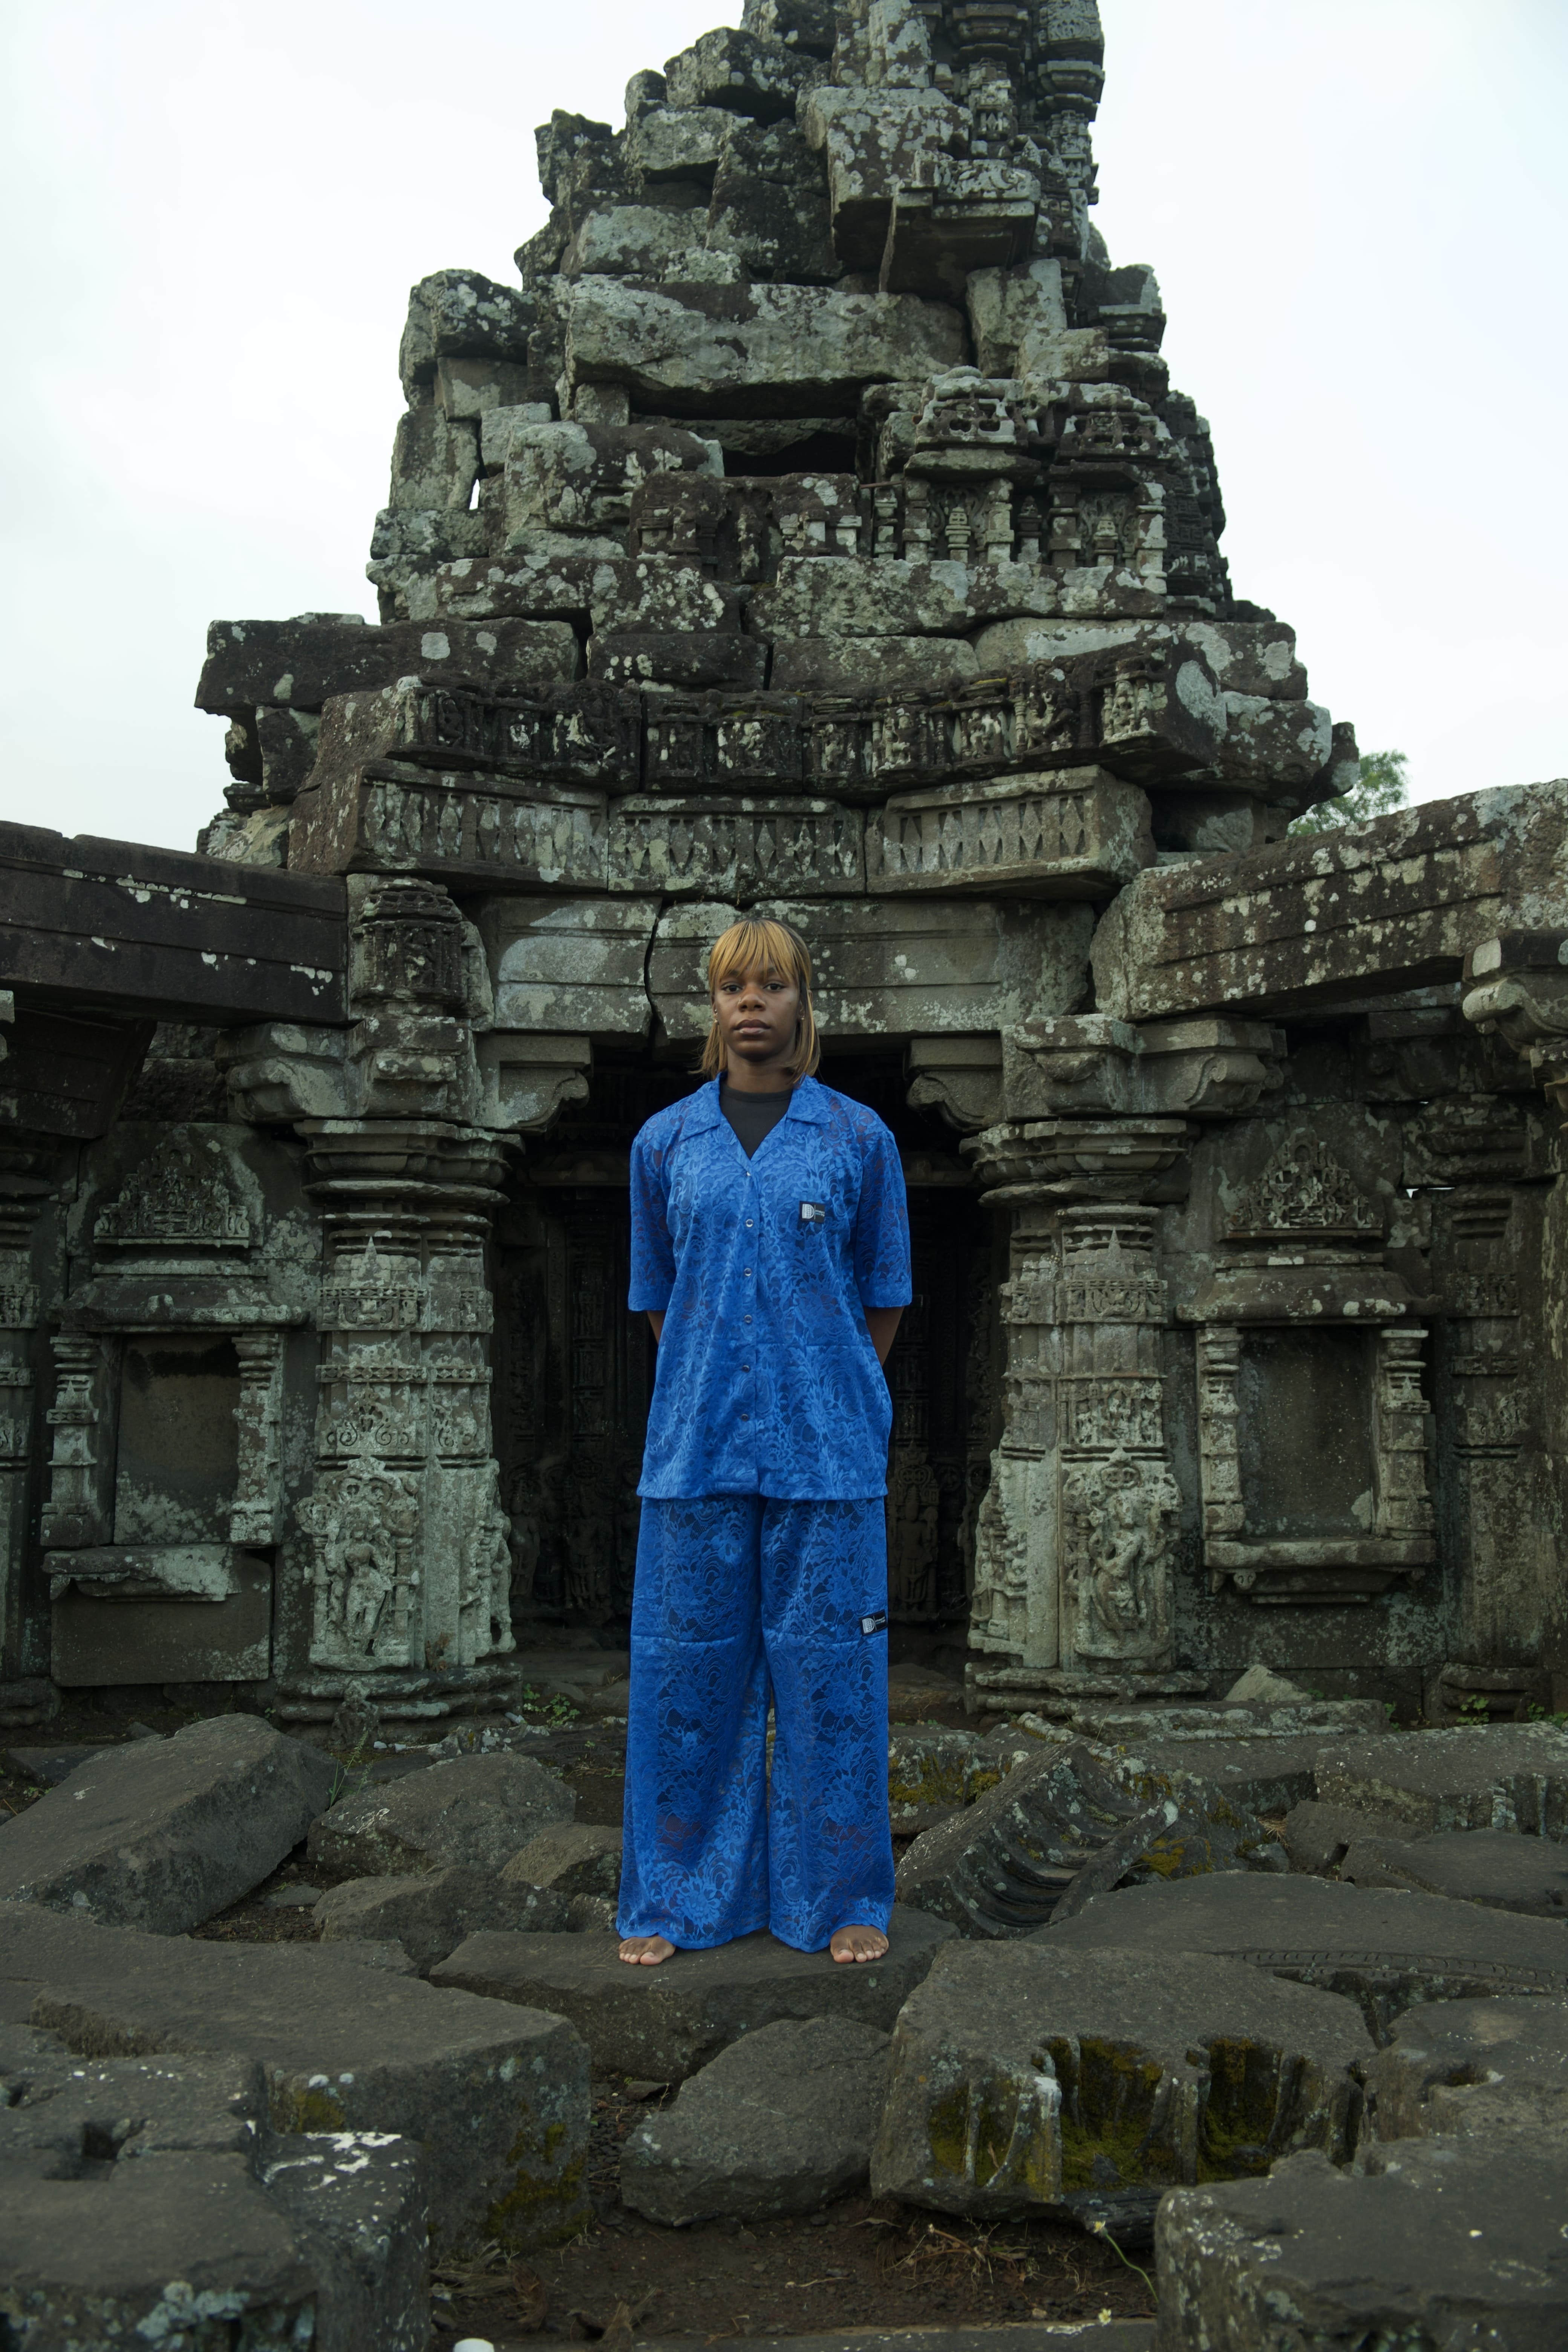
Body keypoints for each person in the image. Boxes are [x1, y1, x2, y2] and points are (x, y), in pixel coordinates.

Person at [619, 917, 911, 1968]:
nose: (752, 1003)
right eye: (733, 987)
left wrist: (825, 1386)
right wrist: (719, 1375)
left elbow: (884, 1294)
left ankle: (842, 1900)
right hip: (694, 1453)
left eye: (773, 985)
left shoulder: (858, 1139)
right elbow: (660, 1298)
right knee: (685, 1680)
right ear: (713, 1005)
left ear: (802, 1003)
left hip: (829, 1459)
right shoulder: (665, 1144)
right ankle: (675, 1899)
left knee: (837, 1683)